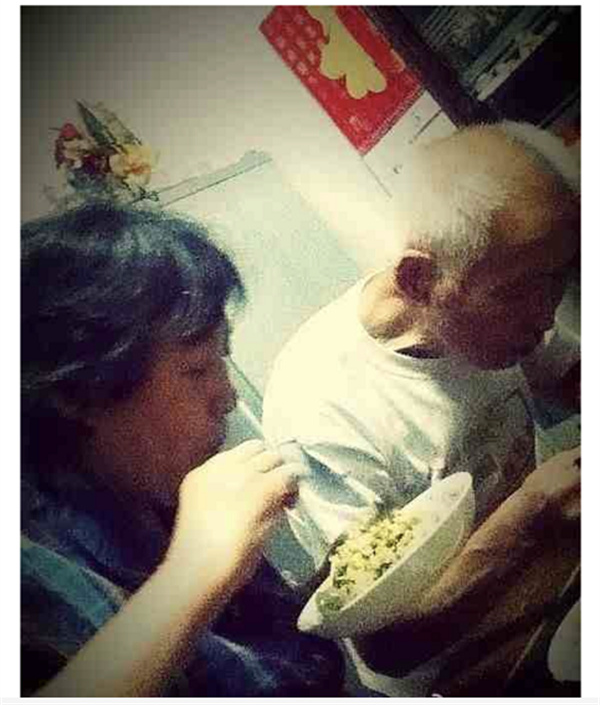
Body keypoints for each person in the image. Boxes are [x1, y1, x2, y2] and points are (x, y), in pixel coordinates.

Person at [263, 121, 581, 686]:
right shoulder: (320, 414)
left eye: (556, 279)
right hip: (458, 671)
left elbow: (576, 377)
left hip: (540, 586)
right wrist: (532, 515)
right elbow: (389, 647)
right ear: (419, 279)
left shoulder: (497, 296)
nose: (543, 316)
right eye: (517, 291)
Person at [21, 201, 345, 697]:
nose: (229, 397)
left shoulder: (156, 482)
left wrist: (335, 590)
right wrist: (198, 567)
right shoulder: (35, 567)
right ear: (80, 393)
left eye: (223, 358)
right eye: (197, 370)